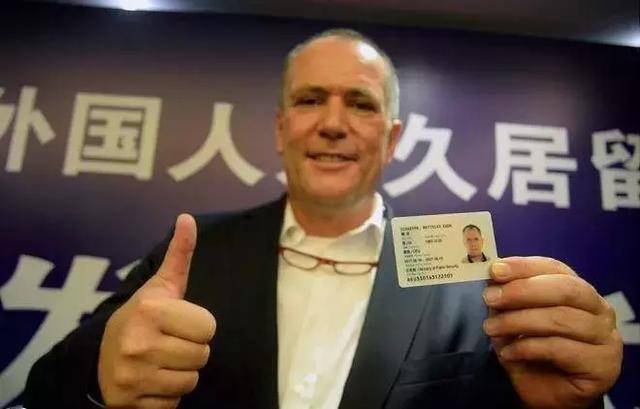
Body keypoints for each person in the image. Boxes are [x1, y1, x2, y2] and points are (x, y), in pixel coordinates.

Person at [23, 28, 622, 409]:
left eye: (360, 104)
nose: (333, 124)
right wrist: (102, 383)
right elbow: (45, 390)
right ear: (281, 128)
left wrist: (571, 407)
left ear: (391, 140)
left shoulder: (465, 280)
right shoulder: (192, 255)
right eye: (310, 100)